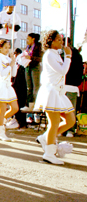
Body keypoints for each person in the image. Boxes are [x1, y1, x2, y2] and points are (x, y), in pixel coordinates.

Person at [34, 31, 76, 164]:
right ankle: (49, 152)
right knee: (54, 123)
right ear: (50, 41)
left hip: (58, 92)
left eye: (61, 39)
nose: (61, 42)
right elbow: (62, 71)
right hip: (51, 92)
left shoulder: (56, 55)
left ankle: (45, 137)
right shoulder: (49, 55)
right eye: (58, 39)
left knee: (70, 120)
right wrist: (68, 56)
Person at [0, 40, 19, 141]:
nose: (7, 49)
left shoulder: (8, 58)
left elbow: (13, 74)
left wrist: (13, 64)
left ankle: (0, 121)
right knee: (2, 109)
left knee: (15, 108)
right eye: (5, 47)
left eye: (8, 47)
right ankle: (1, 133)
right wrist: (10, 65)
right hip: (0, 84)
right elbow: (2, 73)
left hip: (8, 85)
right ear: (0, 47)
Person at [63, 37, 83, 137]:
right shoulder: (61, 54)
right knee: (62, 107)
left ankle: (70, 128)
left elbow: (79, 70)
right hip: (63, 84)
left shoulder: (76, 56)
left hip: (71, 84)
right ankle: (64, 128)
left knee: (70, 108)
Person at [21, 33, 43, 112]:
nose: (27, 40)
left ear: (33, 39)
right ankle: (29, 105)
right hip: (28, 66)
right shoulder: (28, 47)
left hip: (35, 67)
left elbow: (41, 58)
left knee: (35, 87)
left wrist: (31, 57)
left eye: (28, 39)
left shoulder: (39, 46)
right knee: (29, 87)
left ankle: (37, 104)